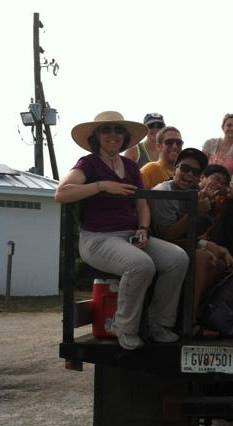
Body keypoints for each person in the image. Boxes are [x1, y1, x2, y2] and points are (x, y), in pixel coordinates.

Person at [55, 111, 189, 351]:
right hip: (97, 239)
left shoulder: (129, 165)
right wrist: (102, 186)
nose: (113, 135)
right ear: (96, 136)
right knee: (141, 265)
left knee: (177, 258)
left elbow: (141, 203)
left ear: (125, 138)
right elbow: (62, 193)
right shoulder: (89, 164)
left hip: (130, 235)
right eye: (107, 130)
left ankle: (159, 324)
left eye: (119, 131)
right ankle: (124, 327)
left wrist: (144, 228)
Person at [150, 149, 233, 322]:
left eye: (195, 172)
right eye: (184, 168)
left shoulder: (194, 193)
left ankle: (201, 312)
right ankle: (190, 318)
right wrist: (195, 212)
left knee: (221, 262)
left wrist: (209, 210)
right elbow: (167, 236)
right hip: (156, 243)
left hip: (179, 242)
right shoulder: (164, 192)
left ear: (199, 177)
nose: (189, 175)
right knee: (203, 258)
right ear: (175, 169)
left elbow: (197, 233)